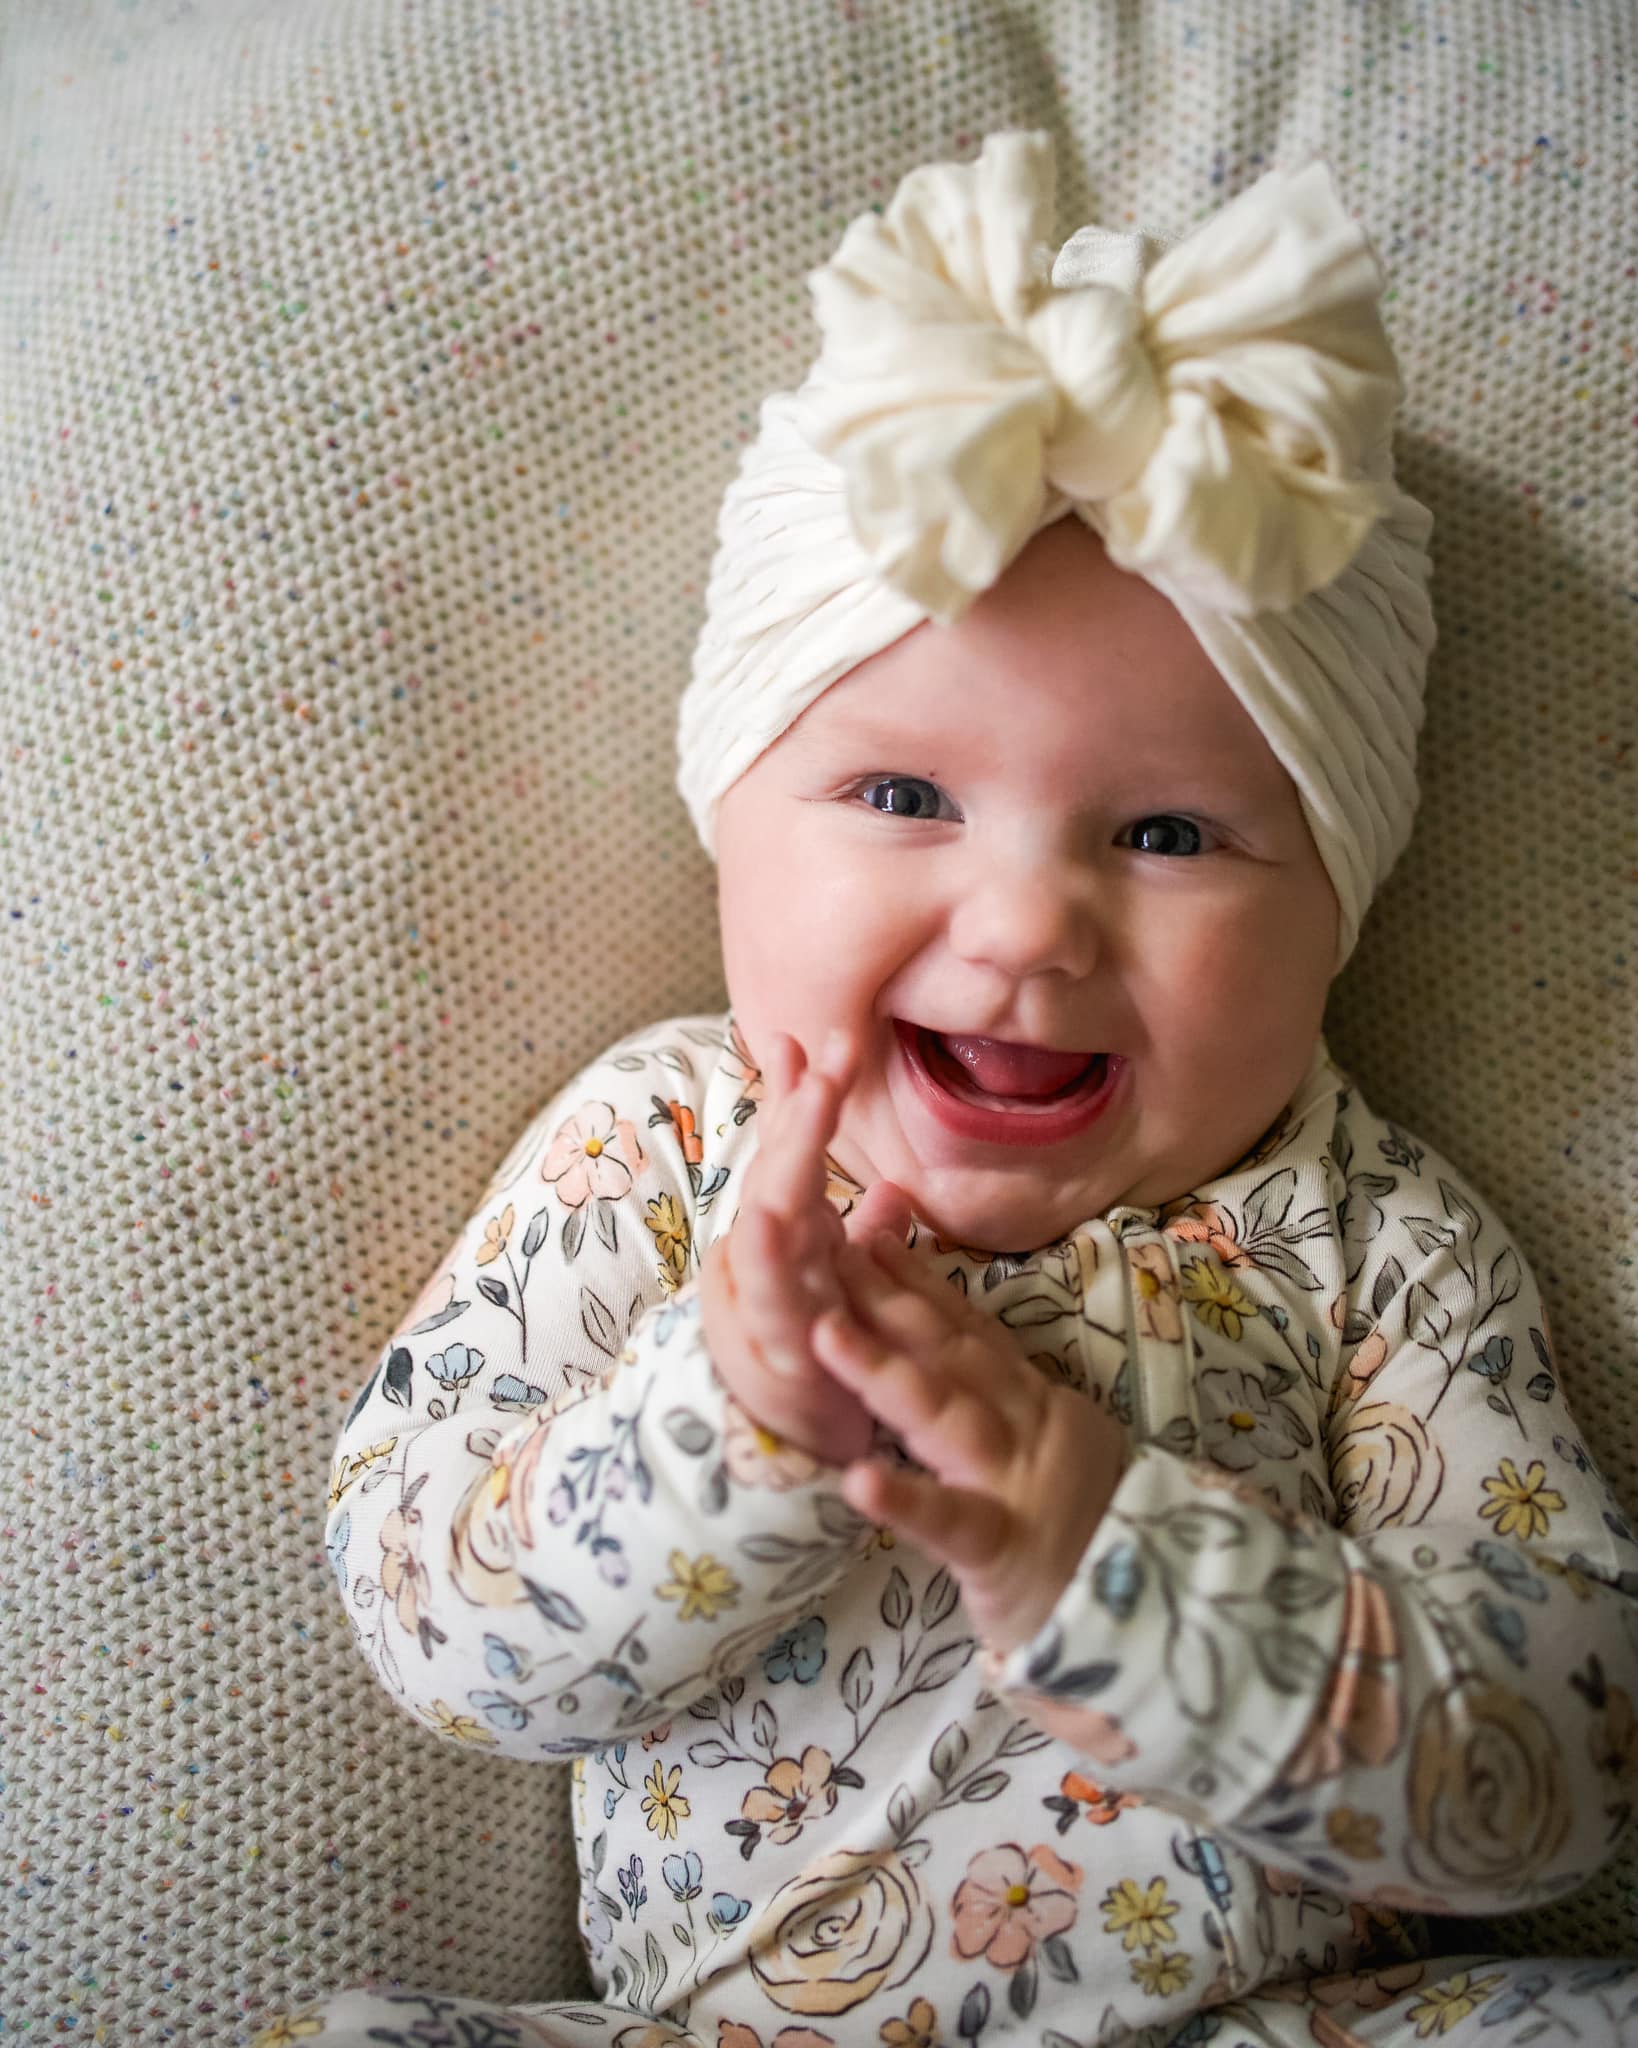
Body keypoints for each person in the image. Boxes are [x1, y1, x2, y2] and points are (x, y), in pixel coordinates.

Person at [275, 133, 1638, 2048]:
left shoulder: (1369, 1238)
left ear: (1339, 902)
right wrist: (723, 1419)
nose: (1023, 928)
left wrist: (1107, 1558)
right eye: (905, 795)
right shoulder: (669, 1145)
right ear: (731, 825)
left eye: (1168, 833)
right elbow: (432, 1623)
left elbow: (1567, 1761)